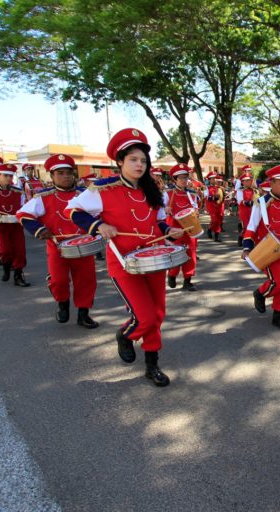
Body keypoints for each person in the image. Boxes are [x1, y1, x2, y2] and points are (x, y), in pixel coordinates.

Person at [67, 128, 184, 387]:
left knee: (158, 314)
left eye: (143, 160)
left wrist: (170, 231)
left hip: (154, 259)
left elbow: (160, 222)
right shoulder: (102, 190)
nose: (139, 164)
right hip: (125, 263)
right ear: (119, 161)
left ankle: (152, 365)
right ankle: (125, 334)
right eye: (133, 159)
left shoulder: (153, 190)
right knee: (145, 317)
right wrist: (98, 226)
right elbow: (73, 211)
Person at [17, 154, 98, 327]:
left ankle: (84, 314)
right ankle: (63, 305)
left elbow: (99, 214)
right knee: (58, 280)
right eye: (60, 173)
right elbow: (23, 214)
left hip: (84, 245)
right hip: (57, 246)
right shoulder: (43, 196)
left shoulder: (84, 195)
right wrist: (39, 230)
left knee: (86, 280)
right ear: (52, 176)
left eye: (69, 172)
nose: (66, 176)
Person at [242, 164, 280, 331]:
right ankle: (260, 293)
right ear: (272, 183)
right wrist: (246, 248)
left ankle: (278, 315)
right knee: (279, 281)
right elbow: (251, 227)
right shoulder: (261, 203)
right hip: (268, 250)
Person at [165, 163, 200, 291]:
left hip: (190, 229)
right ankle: (172, 274)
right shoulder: (167, 194)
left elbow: (195, 208)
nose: (185, 180)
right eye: (181, 178)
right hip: (174, 230)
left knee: (191, 254)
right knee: (175, 254)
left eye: (186, 177)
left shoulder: (192, 194)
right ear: (174, 179)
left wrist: (196, 212)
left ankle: (187, 280)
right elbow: (157, 212)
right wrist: (165, 209)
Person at [236, 167, 256, 247]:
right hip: (244, 211)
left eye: (249, 180)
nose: (249, 182)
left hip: (253, 210)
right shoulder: (240, 190)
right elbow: (240, 201)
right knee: (246, 226)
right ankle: (241, 238)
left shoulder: (253, 190)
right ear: (242, 182)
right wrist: (250, 203)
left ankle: (250, 239)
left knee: (253, 225)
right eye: (246, 181)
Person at [203, 172, 226, 242]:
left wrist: (223, 194)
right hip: (211, 206)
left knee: (218, 220)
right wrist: (214, 198)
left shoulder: (219, 188)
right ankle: (217, 235)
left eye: (215, 178)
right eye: (212, 178)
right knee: (215, 220)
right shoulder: (206, 188)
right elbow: (206, 197)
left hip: (218, 206)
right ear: (209, 180)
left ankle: (211, 230)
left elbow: (222, 197)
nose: (214, 180)